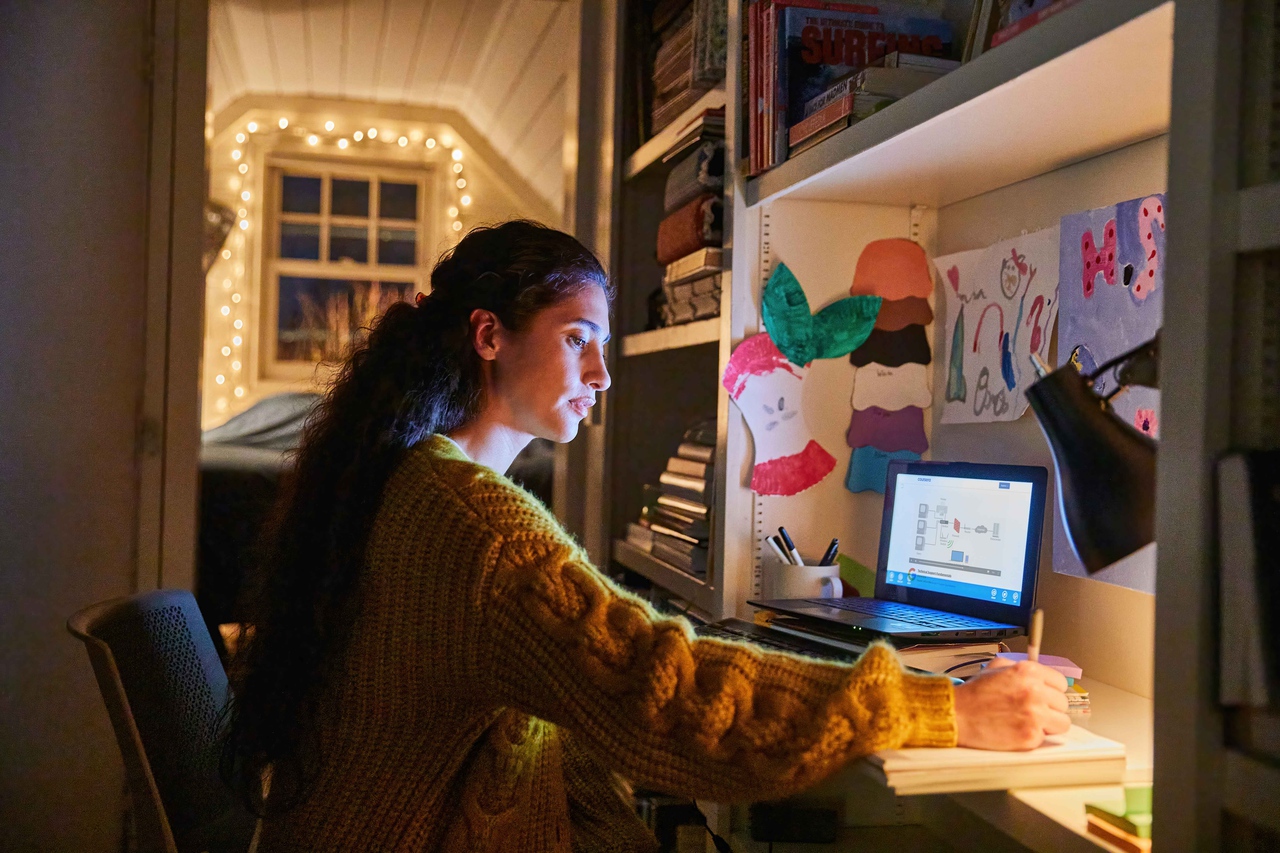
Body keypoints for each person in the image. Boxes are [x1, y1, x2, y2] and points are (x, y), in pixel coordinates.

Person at [223, 220, 1070, 852]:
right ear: (489, 335)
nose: (602, 373)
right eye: (577, 338)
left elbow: (561, 732)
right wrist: (940, 705)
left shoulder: (407, 478)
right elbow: (667, 694)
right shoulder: (474, 523)